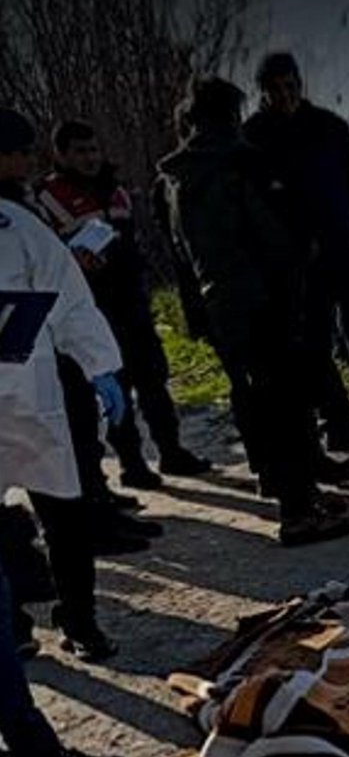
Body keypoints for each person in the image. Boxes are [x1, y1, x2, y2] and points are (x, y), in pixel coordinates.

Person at [157, 78, 349, 546]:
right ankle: (298, 512)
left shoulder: (177, 177)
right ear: (232, 113)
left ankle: (291, 488)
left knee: (255, 399)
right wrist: (297, 288)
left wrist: (199, 313)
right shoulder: (241, 163)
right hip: (266, 300)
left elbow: (180, 255)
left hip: (220, 306)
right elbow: (276, 240)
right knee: (286, 402)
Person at [0, 107, 129, 757]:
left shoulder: (20, 227)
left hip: (24, 405)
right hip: (19, 401)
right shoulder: (20, 223)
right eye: (12, 154)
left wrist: (98, 363)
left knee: (62, 513)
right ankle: (29, 740)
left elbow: (69, 301)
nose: (21, 165)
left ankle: (73, 624)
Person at [34, 121, 211, 489]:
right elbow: (43, 260)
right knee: (112, 385)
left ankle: (171, 451)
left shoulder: (116, 192)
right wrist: (75, 264)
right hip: (89, 309)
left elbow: (133, 242)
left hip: (132, 301)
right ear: (61, 155)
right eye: (80, 151)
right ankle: (132, 463)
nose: (90, 158)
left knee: (153, 378)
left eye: (94, 149)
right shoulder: (47, 197)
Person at [244, 52, 349, 450]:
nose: (285, 95)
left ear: (300, 83)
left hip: (346, 249)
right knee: (315, 346)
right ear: (262, 92)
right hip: (298, 263)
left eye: (291, 86)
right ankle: (338, 424)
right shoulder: (254, 138)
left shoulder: (329, 127)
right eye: (276, 89)